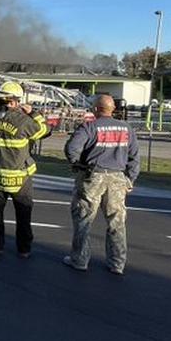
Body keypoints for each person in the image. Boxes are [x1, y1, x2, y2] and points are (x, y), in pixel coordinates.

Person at [63, 94, 140, 275]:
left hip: (93, 176)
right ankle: (117, 263)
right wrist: (130, 179)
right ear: (113, 109)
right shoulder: (127, 128)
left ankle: (80, 260)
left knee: (84, 219)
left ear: (96, 109)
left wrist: (76, 164)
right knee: (116, 221)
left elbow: (71, 148)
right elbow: (134, 157)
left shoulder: (89, 127)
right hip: (117, 179)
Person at [0, 82, 49, 257]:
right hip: (19, 177)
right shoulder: (23, 121)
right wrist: (33, 113)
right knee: (23, 214)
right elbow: (46, 131)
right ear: (14, 102)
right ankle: (24, 248)